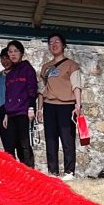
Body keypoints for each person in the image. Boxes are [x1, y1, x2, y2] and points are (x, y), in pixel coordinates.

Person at [37, 33, 82, 180]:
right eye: (50, 42)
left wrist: (78, 105)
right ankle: (53, 172)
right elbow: (41, 90)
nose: (53, 44)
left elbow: (76, 86)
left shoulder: (72, 65)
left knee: (67, 139)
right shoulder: (45, 67)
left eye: (57, 41)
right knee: (50, 139)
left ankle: (69, 172)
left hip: (67, 106)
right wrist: (39, 109)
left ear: (63, 45)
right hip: (49, 105)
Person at [1, 40, 37, 167]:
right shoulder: (9, 75)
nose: (13, 54)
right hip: (10, 114)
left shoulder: (28, 69)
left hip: (23, 111)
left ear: (21, 53)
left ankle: (29, 171)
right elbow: (7, 95)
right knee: (11, 144)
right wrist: (5, 113)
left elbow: (32, 90)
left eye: (15, 51)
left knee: (24, 143)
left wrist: (31, 108)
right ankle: (17, 172)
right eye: (10, 52)